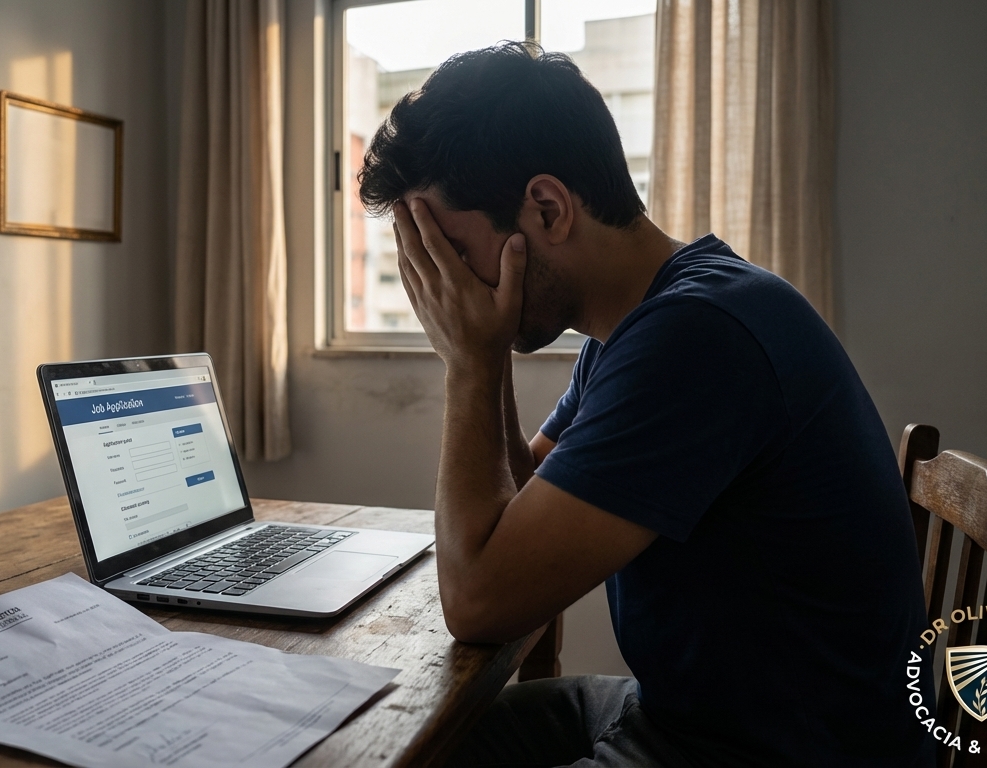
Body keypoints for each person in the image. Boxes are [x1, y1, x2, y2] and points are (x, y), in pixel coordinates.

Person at [356, 42, 932, 767]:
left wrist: (468, 362)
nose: (446, 288)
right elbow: (525, 513)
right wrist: (486, 351)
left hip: (775, 751)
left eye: (450, 251)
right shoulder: (642, 324)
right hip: (692, 714)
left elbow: (480, 601)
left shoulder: (698, 338)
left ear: (546, 208)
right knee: (418, 744)